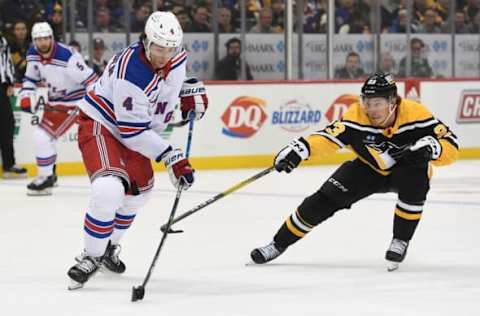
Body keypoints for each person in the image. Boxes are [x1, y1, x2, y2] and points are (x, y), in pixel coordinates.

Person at [250, 73, 459, 271]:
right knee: (321, 202)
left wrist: (435, 148)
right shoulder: (356, 116)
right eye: (367, 103)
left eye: (377, 103)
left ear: (392, 101)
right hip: (367, 170)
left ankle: (401, 239)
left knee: (418, 175)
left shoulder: (416, 114)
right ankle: (277, 244)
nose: (371, 109)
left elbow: (451, 144)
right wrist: (300, 149)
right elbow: (328, 138)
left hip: (406, 171)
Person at [66, 11, 209, 289]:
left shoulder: (176, 56)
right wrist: (171, 157)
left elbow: (172, 85)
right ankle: (91, 255)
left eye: (170, 49)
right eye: (158, 48)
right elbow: (132, 132)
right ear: (146, 41)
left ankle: (109, 247)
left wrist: (189, 93)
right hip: (102, 124)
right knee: (109, 189)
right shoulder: (130, 72)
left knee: (139, 194)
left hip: (140, 131)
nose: (164, 55)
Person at [19, 22, 98, 195]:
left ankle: (46, 178)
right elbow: (30, 78)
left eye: (46, 38)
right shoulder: (33, 53)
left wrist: (92, 106)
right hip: (54, 102)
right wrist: (26, 96)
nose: (43, 43)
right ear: (34, 41)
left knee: (42, 136)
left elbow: (91, 80)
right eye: (39, 40)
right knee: (46, 139)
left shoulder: (67, 57)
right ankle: (50, 175)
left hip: (73, 103)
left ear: (52, 38)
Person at [0, 33, 27, 178]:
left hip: (2, 88)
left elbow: (6, 63)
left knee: (7, 126)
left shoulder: (3, 40)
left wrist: (9, 82)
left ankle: (9, 164)